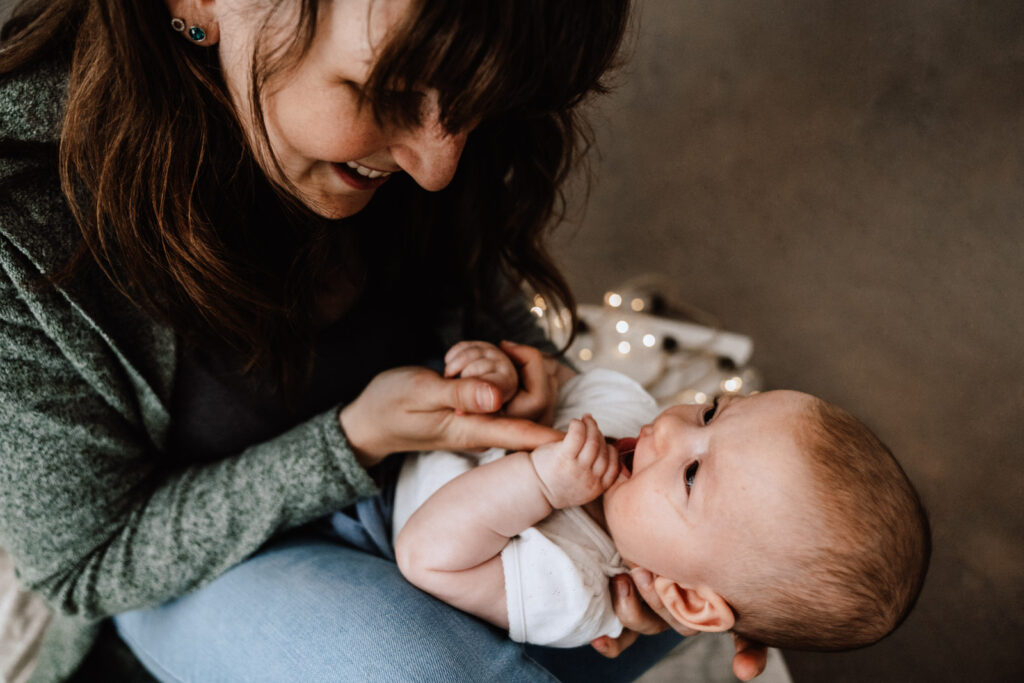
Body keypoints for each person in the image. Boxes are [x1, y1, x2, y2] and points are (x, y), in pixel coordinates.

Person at [0, 0, 770, 680]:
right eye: (388, 95)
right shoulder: (22, 218)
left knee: (752, 532)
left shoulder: (444, 96)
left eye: (475, 106)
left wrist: (537, 374)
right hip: (207, 561)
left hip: (451, 487)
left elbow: (486, 294)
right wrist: (352, 440)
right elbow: (87, 559)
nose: (438, 167)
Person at [395, 341, 931, 652]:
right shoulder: (629, 415)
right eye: (713, 412)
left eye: (692, 475)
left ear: (690, 600)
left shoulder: (570, 589)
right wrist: (508, 380)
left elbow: (425, 556)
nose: (667, 430)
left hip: (372, 518)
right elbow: (556, 380)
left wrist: (541, 484)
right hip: (414, 420)